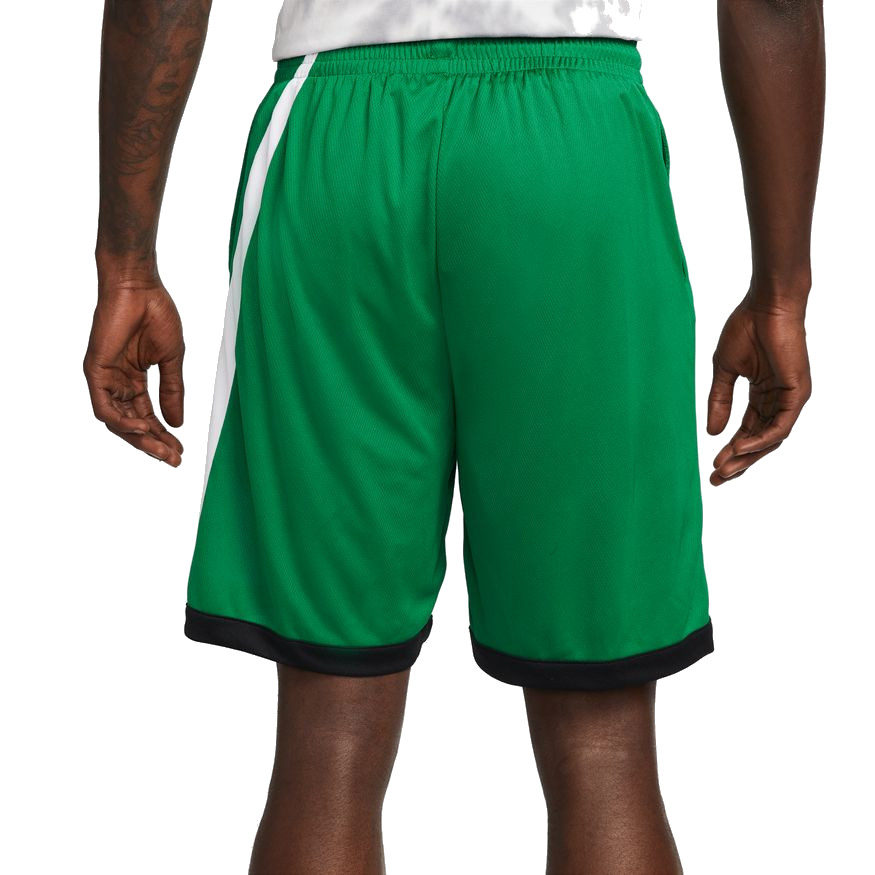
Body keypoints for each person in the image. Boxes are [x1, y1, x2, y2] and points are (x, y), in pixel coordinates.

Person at [83, 1, 824, 872]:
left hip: (339, 139)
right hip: (573, 147)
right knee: (603, 743)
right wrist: (780, 290)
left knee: (327, 737)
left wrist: (125, 264)